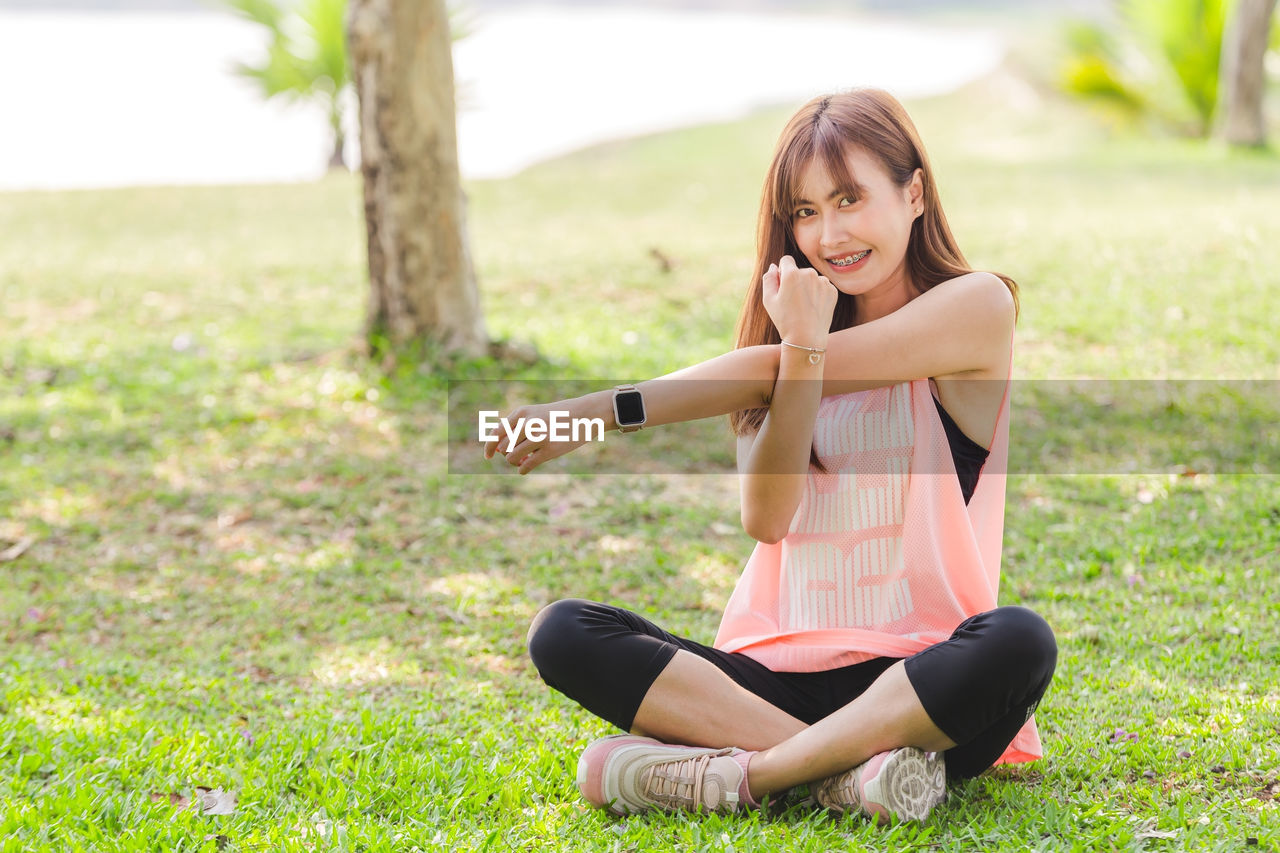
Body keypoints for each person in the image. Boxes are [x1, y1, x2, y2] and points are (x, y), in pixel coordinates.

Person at [483, 89, 1057, 824]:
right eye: (806, 211)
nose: (830, 233)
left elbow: (772, 367)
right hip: (767, 681)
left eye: (850, 199)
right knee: (564, 630)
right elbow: (768, 517)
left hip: (919, 685)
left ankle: (748, 776)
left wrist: (587, 415)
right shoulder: (784, 344)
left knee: (1018, 640)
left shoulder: (977, 306)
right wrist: (798, 349)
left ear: (914, 192)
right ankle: (849, 776)